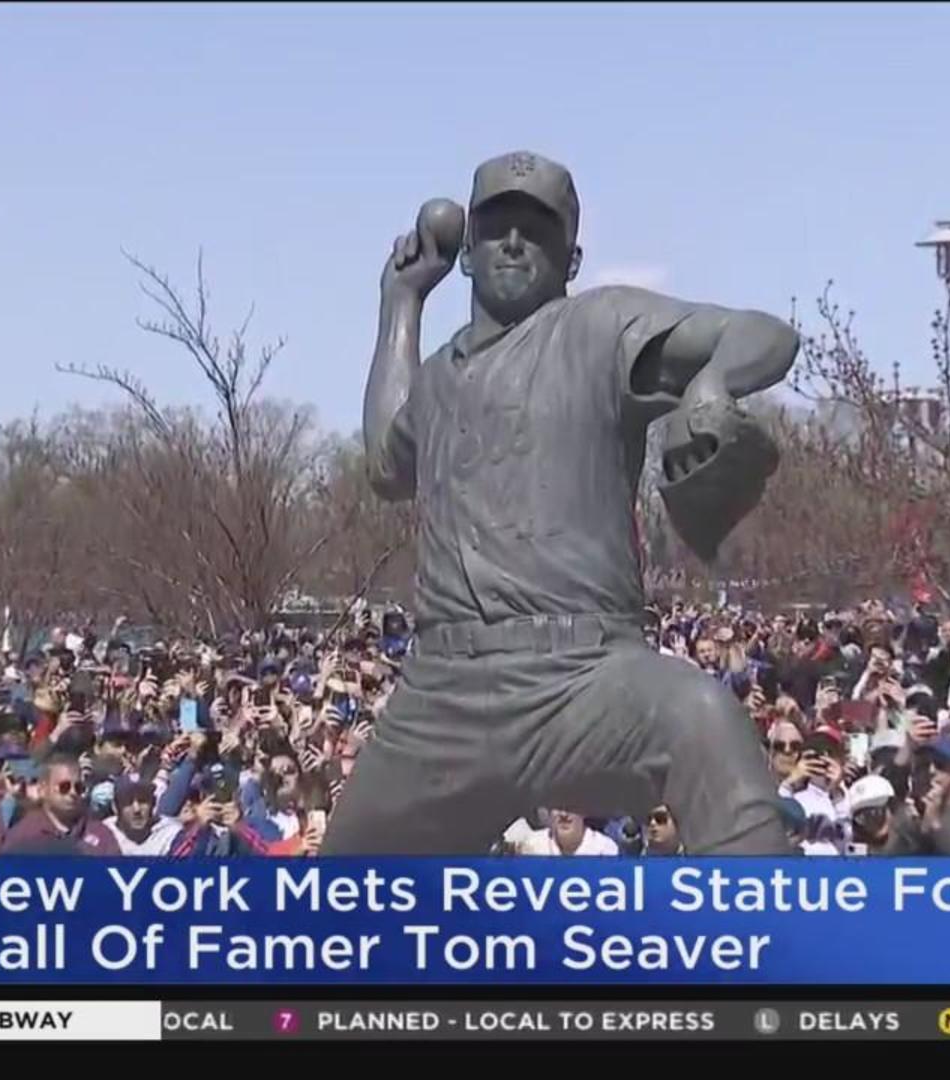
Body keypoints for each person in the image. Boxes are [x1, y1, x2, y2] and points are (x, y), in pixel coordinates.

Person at [327, 151, 800, 856]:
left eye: (536, 229)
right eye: (495, 227)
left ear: (571, 258)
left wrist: (713, 384)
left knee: (702, 720)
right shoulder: (437, 381)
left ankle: (781, 950)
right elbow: (386, 466)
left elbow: (764, 333)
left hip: (582, 676)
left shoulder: (599, 327)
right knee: (329, 909)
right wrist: (400, 304)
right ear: (468, 252)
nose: (513, 241)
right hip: (444, 696)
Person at [1, 754, 119, 854]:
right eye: (64, 787)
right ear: (43, 789)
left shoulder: (101, 834)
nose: (73, 793)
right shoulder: (22, 835)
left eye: (78, 788)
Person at [108, 776, 181, 856]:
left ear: (153, 803)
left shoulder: (170, 832)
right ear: (115, 807)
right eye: (128, 802)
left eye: (143, 801)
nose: (137, 809)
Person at [516, 808, 618, 856]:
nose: (564, 814)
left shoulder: (605, 849)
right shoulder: (532, 845)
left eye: (571, 807)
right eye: (558, 807)